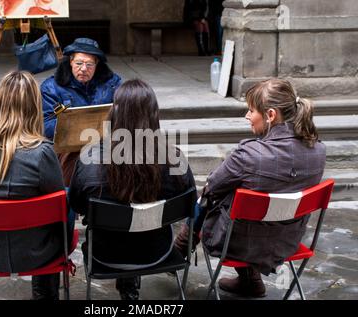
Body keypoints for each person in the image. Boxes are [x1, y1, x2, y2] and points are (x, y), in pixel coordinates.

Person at [174, 78, 326, 297]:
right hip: (287, 241)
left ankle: (181, 248)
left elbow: (212, 187)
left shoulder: (249, 156)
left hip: (239, 243)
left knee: (211, 194)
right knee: (240, 195)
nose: (247, 116)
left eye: (251, 110)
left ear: (270, 115)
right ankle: (249, 279)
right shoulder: (318, 152)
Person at [0, 71, 74, 300]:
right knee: (64, 203)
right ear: (34, 107)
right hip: (37, 254)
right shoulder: (42, 152)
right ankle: (45, 295)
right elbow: (60, 212)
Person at [69, 79, 196, 300]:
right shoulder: (175, 160)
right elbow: (189, 202)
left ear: (114, 114)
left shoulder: (90, 159)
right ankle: (129, 283)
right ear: (154, 115)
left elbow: (77, 205)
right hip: (158, 253)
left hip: (105, 255)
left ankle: (128, 282)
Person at [41, 37, 122, 185]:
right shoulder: (51, 87)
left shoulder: (112, 83)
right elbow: (47, 125)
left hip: (105, 143)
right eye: (79, 63)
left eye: (89, 64)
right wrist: (78, 130)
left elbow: (123, 115)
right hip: (69, 148)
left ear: (97, 64)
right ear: (70, 61)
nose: (84, 69)